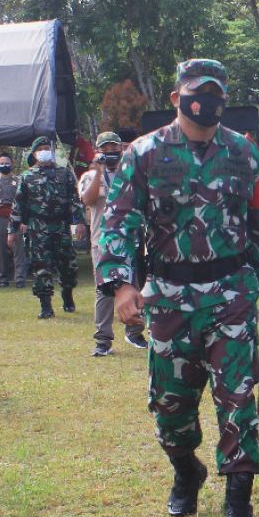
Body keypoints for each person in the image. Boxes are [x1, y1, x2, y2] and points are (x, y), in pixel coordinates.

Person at [98, 59, 259, 517]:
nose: (208, 101)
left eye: (216, 92)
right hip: (168, 296)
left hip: (232, 294)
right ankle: (187, 471)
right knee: (169, 405)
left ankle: (238, 499)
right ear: (176, 97)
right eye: (197, 92)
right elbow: (119, 220)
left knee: (237, 398)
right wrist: (122, 284)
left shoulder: (243, 152)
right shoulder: (144, 153)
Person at [78, 132, 147, 356]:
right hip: (102, 241)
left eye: (114, 148)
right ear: (98, 151)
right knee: (104, 291)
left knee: (133, 285)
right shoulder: (90, 176)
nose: (110, 153)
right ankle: (103, 340)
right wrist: (98, 171)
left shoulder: (129, 173)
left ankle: (135, 331)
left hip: (130, 240)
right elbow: (88, 200)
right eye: (105, 149)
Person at [7, 136, 84, 318]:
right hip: (38, 228)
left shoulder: (64, 173)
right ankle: (46, 306)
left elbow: (74, 200)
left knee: (68, 266)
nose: (44, 151)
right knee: (41, 267)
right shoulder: (27, 177)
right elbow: (18, 205)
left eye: (46, 147)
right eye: (40, 148)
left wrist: (79, 221)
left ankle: (67, 294)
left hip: (61, 226)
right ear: (34, 153)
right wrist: (12, 230)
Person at [0, 151, 30, 288]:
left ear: (12, 164)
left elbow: (25, 202)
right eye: (1, 163)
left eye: (7, 163)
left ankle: (19, 279)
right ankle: (3, 277)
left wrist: (24, 221)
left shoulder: (19, 181)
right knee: (1, 250)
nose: (4, 165)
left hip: (16, 218)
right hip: (0, 219)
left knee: (18, 250)